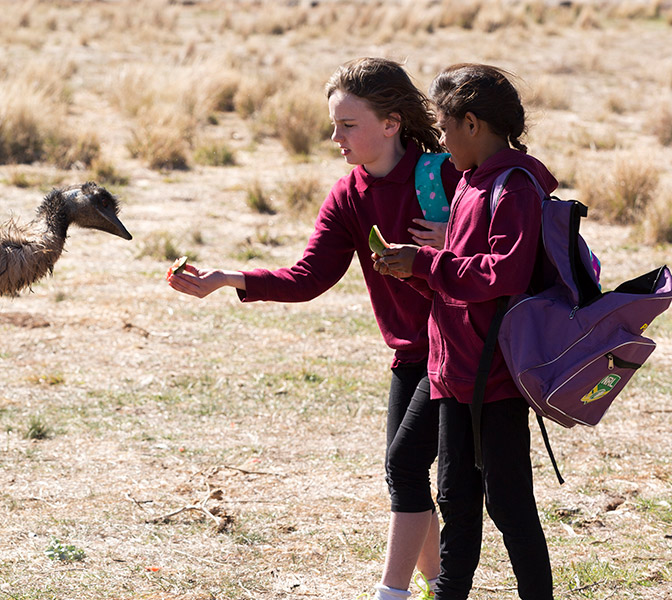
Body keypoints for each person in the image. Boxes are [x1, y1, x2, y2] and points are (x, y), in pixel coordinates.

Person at [167, 57, 456, 600]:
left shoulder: (444, 175)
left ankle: (392, 593)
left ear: (391, 123)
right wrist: (230, 278)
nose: (334, 137)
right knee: (405, 473)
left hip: (459, 349)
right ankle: (441, 587)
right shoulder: (349, 195)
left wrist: (454, 236)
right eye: (333, 124)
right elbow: (309, 277)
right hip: (411, 356)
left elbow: (501, 245)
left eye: (348, 125)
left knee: (406, 467)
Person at [375, 63, 555, 600]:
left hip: (493, 379)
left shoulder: (515, 187)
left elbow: (504, 274)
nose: (442, 137)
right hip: (452, 374)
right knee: (455, 500)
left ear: (472, 123)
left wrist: (427, 265)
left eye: (446, 124)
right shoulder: (473, 182)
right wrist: (414, 268)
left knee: (509, 506)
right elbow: (463, 274)